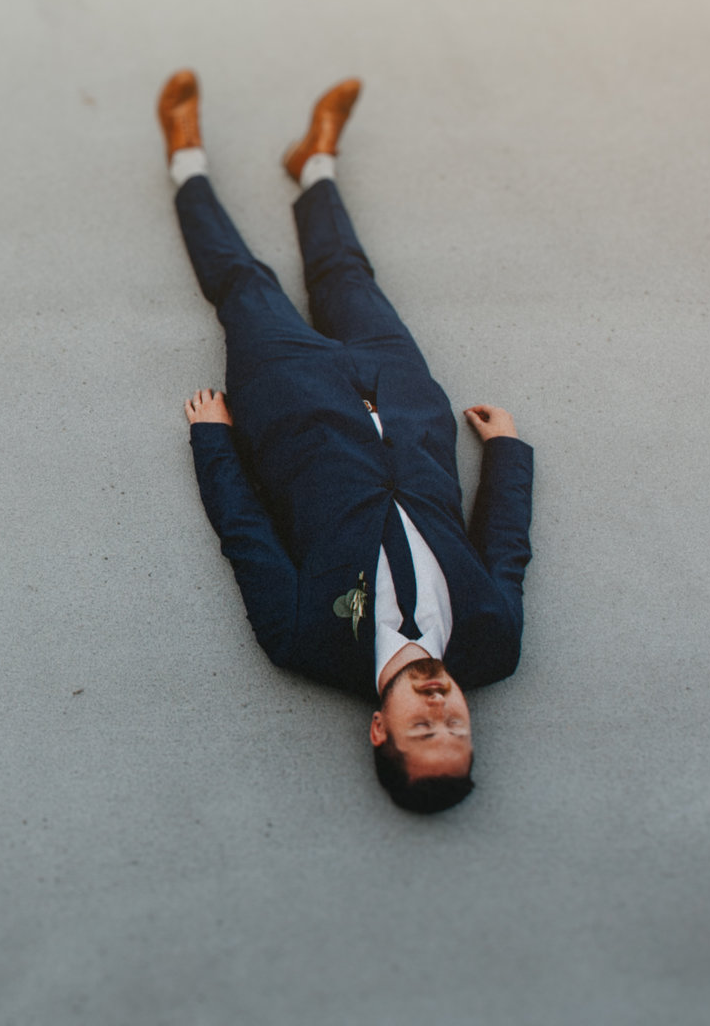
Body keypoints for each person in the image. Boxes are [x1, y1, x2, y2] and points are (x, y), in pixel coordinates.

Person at [159, 69, 535, 813]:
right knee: (345, 274)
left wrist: (213, 441)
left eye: (422, 727)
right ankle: (315, 164)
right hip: (402, 400)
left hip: (291, 407)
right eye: (454, 723)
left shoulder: (306, 642)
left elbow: (247, 535)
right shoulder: (494, 643)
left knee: (244, 284)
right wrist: (506, 454)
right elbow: (508, 551)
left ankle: (186, 159)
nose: (440, 702)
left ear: (377, 729)